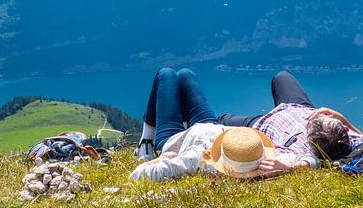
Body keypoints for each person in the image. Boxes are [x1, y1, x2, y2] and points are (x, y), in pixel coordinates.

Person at [130, 68, 316, 182]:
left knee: (166, 75)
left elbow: (138, 175)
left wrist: (162, 159)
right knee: (186, 75)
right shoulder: (266, 161)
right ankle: (184, 122)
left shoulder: (198, 158)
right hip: (211, 127)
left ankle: (145, 142)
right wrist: (289, 168)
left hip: (175, 139)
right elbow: (312, 160)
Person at [216, 70, 363, 168]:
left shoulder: (301, 151)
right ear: (345, 129)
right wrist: (339, 117)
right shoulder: (352, 140)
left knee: (223, 119)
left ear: (309, 139)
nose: (327, 114)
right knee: (282, 77)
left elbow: (309, 162)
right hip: (300, 107)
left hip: (267, 122)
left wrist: (287, 168)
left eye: (322, 118)